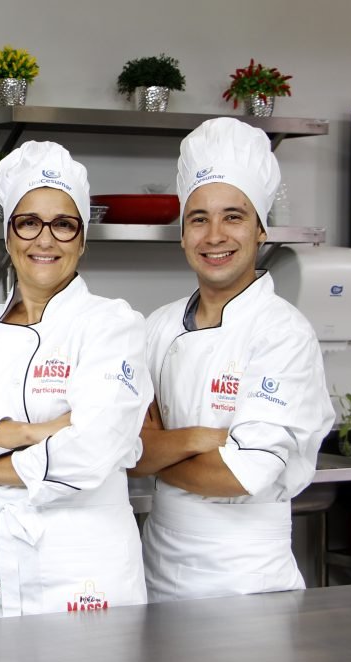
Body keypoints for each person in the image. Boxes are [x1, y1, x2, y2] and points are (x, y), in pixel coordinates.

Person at [0, 141, 152, 620]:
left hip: (86, 569)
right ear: (8, 236)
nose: (44, 240)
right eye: (28, 222)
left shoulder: (113, 324)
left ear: (82, 239)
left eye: (64, 224)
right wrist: (37, 432)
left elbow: (90, 452)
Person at [134, 117, 335, 602]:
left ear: (261, 230)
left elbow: (242, 475)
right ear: (182, 235)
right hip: (155, 568)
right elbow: (125, 448)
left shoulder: (282, 332)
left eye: (234, 216)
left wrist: (157, 450)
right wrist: (204, 440)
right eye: (198, 218)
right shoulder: (156, 328)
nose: (214, 235)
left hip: (248, 577)